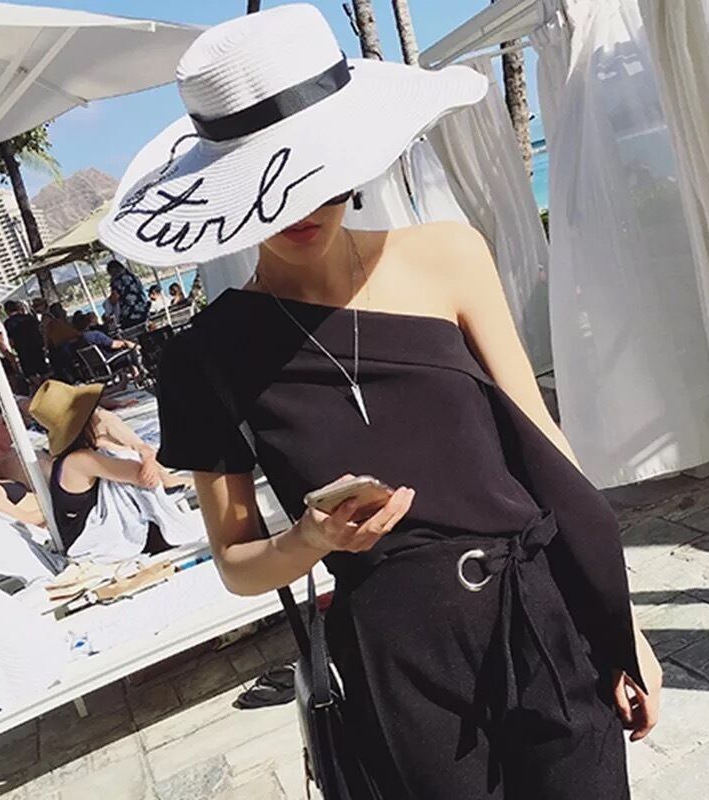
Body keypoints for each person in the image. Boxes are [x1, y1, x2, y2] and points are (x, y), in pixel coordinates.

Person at [100, 9, 662, 799]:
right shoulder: (205, 359)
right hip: (397, 669)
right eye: (270, 186)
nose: (301, 206)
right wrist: (309, 539)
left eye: (316, 172)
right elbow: (236, 564)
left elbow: (543, 445)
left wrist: (620, 623)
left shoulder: (448, 255)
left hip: (541, 615)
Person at [29, 380, 195, 556]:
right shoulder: (80, 460)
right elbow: (142, 476)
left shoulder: (77, 456)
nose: (100, 415)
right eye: (94, 411)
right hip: (94, 538)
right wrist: (146, 454)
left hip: (90, 534)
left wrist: (143, 452)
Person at [72, 311, 141, 380]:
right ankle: (139, 376)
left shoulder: (77, 342)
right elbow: (114, 344)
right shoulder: (94, 335)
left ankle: (132, 376)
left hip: (97, 370)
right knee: (131, 352)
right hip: (110, 364)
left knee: (127, 351)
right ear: (86, 322)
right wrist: (129, 344)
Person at [3, 300, 47, 387]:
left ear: (7, 311)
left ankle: (41, 386)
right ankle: (47, 385)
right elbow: (39, 330)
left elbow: (11, 340)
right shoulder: (29, 317)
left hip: (23, 350)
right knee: (42, 369)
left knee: (30, 373)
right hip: (36, 346)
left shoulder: (8, 323)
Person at [106, 260, 149, 328]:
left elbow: (115, 297)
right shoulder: (133, 276)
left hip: (130, 313)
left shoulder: (117, 281)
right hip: (143, 309)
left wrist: (109, 302)